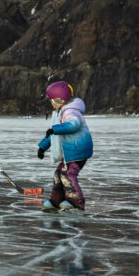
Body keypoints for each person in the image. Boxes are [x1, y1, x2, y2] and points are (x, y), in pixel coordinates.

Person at [37, 81, 93, 211]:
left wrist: (56, 129)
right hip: (70, 151)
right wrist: (42, 147)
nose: (50, 103)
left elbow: (74, 125)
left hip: (78, 151)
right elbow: (54, 134)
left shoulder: (71, 112)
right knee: (58, 174)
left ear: (59, 100)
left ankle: (76, 202)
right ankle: (57, 201)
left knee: (68, 175)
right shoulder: (60, 113)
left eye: (51, 100)